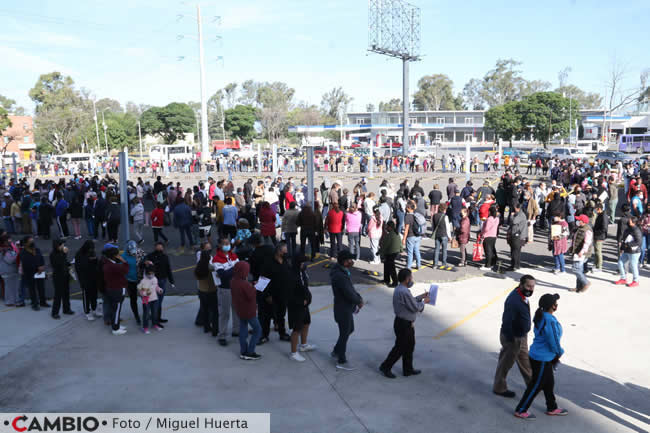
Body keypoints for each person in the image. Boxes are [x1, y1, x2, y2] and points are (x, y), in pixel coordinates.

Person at [514, 293, 567, 420]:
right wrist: (559, 352)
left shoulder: (541, 315)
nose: (557, 305)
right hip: (542, 358)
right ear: (553, 307)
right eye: (555, 303)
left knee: (549, 383)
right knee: (536, 385)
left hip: (538, 355)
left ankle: (552, 407)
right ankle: (521, 410)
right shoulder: (550, 321)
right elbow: (553, 341)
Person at [379, 268, 429, 378]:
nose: (412, 279)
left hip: (406, 323)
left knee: (410, 346)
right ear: (407, 279)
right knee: (400, 348)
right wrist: (424, 303)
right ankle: (385, 366)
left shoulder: (400, 289)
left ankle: (408, 369)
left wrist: (421, 296)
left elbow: (411, 301)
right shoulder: (404, 291)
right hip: (403, 324)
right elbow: (415, 307)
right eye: (411, 277)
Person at [493, 275, 534, 398]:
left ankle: (532, 384)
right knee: (505, 363)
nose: (530, 289)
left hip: (521, 336)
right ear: (521, 285)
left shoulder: (522, 296)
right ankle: (499, 388)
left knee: (525, 360)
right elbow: (507, 320)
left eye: (533, 286)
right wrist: (510, 340)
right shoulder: (514, 300)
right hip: (513, 337)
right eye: (528, 286)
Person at [330, 249, 364, 370]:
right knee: (345, 332)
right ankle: (341, 359)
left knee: (349, 329)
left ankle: (336, 350)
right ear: (344, 262)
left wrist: (358, 297)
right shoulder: (340, 276)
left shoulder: (343, 272)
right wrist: (358, 301)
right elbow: (349, 292)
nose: (352, 261)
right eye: (350, 259)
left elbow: (351, 289)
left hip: (345, 307)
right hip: (342, 308)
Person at [260, 242, 292, 342]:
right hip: (271, 295)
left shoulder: (286, 261)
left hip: (283, 294)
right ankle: (264, 335)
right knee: (267, 316)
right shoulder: (268, 263)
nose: (286, 253)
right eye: (285, 251)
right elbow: (263, 280)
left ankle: (282, 333)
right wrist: (267, 295)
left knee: (281, 315)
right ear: (278, 251)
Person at [230, 261, 262, 360]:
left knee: (243, 328)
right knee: (257, 330)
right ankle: (250, 351)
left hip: (239, 309)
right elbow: (251, 295)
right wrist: (255, 287)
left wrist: (251, 284)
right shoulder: (244, 284)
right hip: (249, 310)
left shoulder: (233, 280)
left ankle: (243, 351)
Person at [212, 237, 241, 346]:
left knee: (236, 310)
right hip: (225, 289)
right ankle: (222, 335)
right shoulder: (216, 259)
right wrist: (235, 268)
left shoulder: (233, 256)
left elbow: (238, 271)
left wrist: (231, 270)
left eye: (228, 243)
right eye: (224, 243)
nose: (227, 245)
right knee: (224, 313)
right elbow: (222, 275)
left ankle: (236, 330)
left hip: (235, 287)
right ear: (219, 245)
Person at [287, 255, 315, 362]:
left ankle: (303, 345)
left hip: (304, 304)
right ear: (298, 264)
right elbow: (289, 294)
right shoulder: (291, 275)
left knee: (306, 323)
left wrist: (307, 299)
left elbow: (305, 287)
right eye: (303, 263)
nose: (304, 265)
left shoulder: (302, 272)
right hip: (296, 306)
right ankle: (293, 353)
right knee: (296, 329)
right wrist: (300, 301)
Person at [101, 244, 129, 335]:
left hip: (111, 288)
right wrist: (123, 261)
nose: (119, 256)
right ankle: (115, 328)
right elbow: (125, 269)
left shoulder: (107, 263)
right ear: (114, 256)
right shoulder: (113, 266)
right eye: (117, 255)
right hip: (117, 289)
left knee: (114, 309)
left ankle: (116, 324)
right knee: (116, 309)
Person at [144, 242, 174, 322]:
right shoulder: (150, 256)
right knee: (154, 301)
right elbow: (144, 265)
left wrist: (171, 281)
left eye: (160, 248)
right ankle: (154, 318)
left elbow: (168, 269)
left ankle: (157, 317)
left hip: (162, 280)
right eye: (157, 247)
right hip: (152, 281)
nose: (159, 249)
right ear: (155, 248)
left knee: (159, 301)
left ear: (163, 248)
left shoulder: (165, 257)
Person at [195, 241, 218, 336]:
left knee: (204, 308)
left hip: (202, 290)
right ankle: (214, 329)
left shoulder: (198, 268)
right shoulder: (210, 268)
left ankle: (206, 326)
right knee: (213, 310)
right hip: (211, 291)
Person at [19, 236, 47, 310]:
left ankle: (43, 302)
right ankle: (34, 304)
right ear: (26, 243)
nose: (32, 243)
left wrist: (42, 266)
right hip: (30, 273)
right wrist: (37, 267)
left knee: (41, 287)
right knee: (32, 289)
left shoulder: (37, 250)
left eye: (33, 241)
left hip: (39, 271)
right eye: (30, 241)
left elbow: (41, 258)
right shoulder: (23, 252)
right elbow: (26, 263)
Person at [75, 240, 101, 320]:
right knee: (87, 296)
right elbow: (79, 267)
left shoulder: (92, 252)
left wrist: (95, 260)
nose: (91, 250)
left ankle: (94, 308)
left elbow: (96, 263)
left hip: (93, 277)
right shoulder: (79, 254)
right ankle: (87, 312)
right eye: (90, 248)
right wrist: (90, 261)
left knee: (94, 294)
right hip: (85, 279)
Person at [614, 216, 642, 287]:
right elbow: (624, 239)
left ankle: (636, 281)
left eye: (630, 220)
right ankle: (623, 278)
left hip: (634, 252)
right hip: (626, 250)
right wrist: (622, 248)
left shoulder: (637, 230)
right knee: (620, 262)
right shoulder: (627, 229)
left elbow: (638, 242)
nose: (628, 221)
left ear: (634, 223)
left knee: (633, 266)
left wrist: (628, 245)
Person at [50, 239, 74, 319]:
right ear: (57, 246)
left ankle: (66, 309)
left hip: (65, 275)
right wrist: (64, 254)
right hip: (58, 277)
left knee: (66, 293)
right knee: (58, 295)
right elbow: (57, 264)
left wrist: (69, 264)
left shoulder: (61, 253)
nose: (63, 246)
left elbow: (64, 262)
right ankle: (55, 312)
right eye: (62, 245)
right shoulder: (53, 254)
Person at [569, 214, 593, 293]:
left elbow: (587, 243)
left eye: (579, 220)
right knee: (579, 270)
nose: (577, 221)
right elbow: (574, 239)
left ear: (583, 222)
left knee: (575, 269)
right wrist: (571, 247)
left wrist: (582, 252)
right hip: (577, 251)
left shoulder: (587, 230)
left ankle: (586, 283)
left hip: (582, 253)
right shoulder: (579, 228)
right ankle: (578, 287)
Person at [138, 264, 163, 333]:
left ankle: (154, 324)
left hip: (154, 299)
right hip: (146, 300)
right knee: (146, 314)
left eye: (152, 273)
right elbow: (140, 292)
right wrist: (145, 294)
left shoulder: (155, 279)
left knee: (154, 313)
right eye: (149, 274)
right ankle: (145, 327)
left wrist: (159, 289)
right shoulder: (143, 281)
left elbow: (156, 286)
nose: (151, 275)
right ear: (146, 273)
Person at [122, 240, 142, 325]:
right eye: (131, 252)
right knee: (133, 299)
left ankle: (147, 312)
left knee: (145, 297)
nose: (133, 253)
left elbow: (145, 260)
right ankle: (136, 315)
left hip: (140, 280)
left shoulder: (140, 253)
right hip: (130, 281)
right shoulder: (123, 256)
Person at [378, 220, 402, 287]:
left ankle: (395, 282)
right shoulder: (397, 233)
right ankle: (386, 279)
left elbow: (385, 245)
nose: (386, 228)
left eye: (387, 227)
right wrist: (401, 250)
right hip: (395, 252)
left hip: (390, 253)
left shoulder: (389, 235)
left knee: (391, 268)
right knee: (387, 265)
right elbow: (400, 243)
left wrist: (380, 252)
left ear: (390, 227)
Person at [431, 203, 452, 270]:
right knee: (444, 250)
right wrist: (449, 236)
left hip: (437, 234)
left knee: (436, 249)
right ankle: (444, 263)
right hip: (444, 234)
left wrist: (433, 232)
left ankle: (435, 264)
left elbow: (433, 226)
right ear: (444, 209)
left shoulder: (434, 216)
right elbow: (448, 228)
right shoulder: (445, 217)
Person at [0, 234, 19, 307]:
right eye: (8, 240)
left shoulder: (10, 248)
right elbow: (10, 260)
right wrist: (17, 251)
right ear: (4, 241)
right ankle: (9, 301)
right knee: (8, 287)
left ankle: (15, 300)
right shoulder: (3, 250)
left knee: (14, 286)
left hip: (13, 270)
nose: (10, 241)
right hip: (6, 270)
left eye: (10, 239)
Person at [507, 202, 527, 271]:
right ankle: (516, 265)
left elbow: (514, 221)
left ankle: (514, 266)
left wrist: (512, 216)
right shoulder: (520, 214)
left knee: (515, 251)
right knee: (516, 251)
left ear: (517, 208)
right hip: (518, 234)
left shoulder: (520, 215)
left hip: (518, 235)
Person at [402, 201, 422, 270]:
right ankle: (418, 265)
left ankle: (408, 267)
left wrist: (404, 238)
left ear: (408, 208)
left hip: (411, 236)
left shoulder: (407, 216)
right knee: (417, 251)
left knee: (410, 252)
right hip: (418, 236)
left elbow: (406, 229)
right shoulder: (416, 215)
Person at [480, 206, 499, 271]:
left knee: (487, 251)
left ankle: (487, 265)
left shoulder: (489, 219)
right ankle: (492, 263)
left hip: (487, 236)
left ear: (490, 212)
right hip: (493, 236)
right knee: (492, 250)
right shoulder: (497, 219)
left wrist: (481, 233)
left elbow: (486, 229)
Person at [592, 203, 608, 273]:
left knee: (598, 252)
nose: (595, 210)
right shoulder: (600, 215)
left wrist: (596, 233)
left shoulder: (603, 216)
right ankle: (596, 264)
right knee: (596, 251)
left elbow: (604, 228)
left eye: (595, 209)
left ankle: (599, 267)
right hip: (597, 235)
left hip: (599, 236)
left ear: (599, 209)